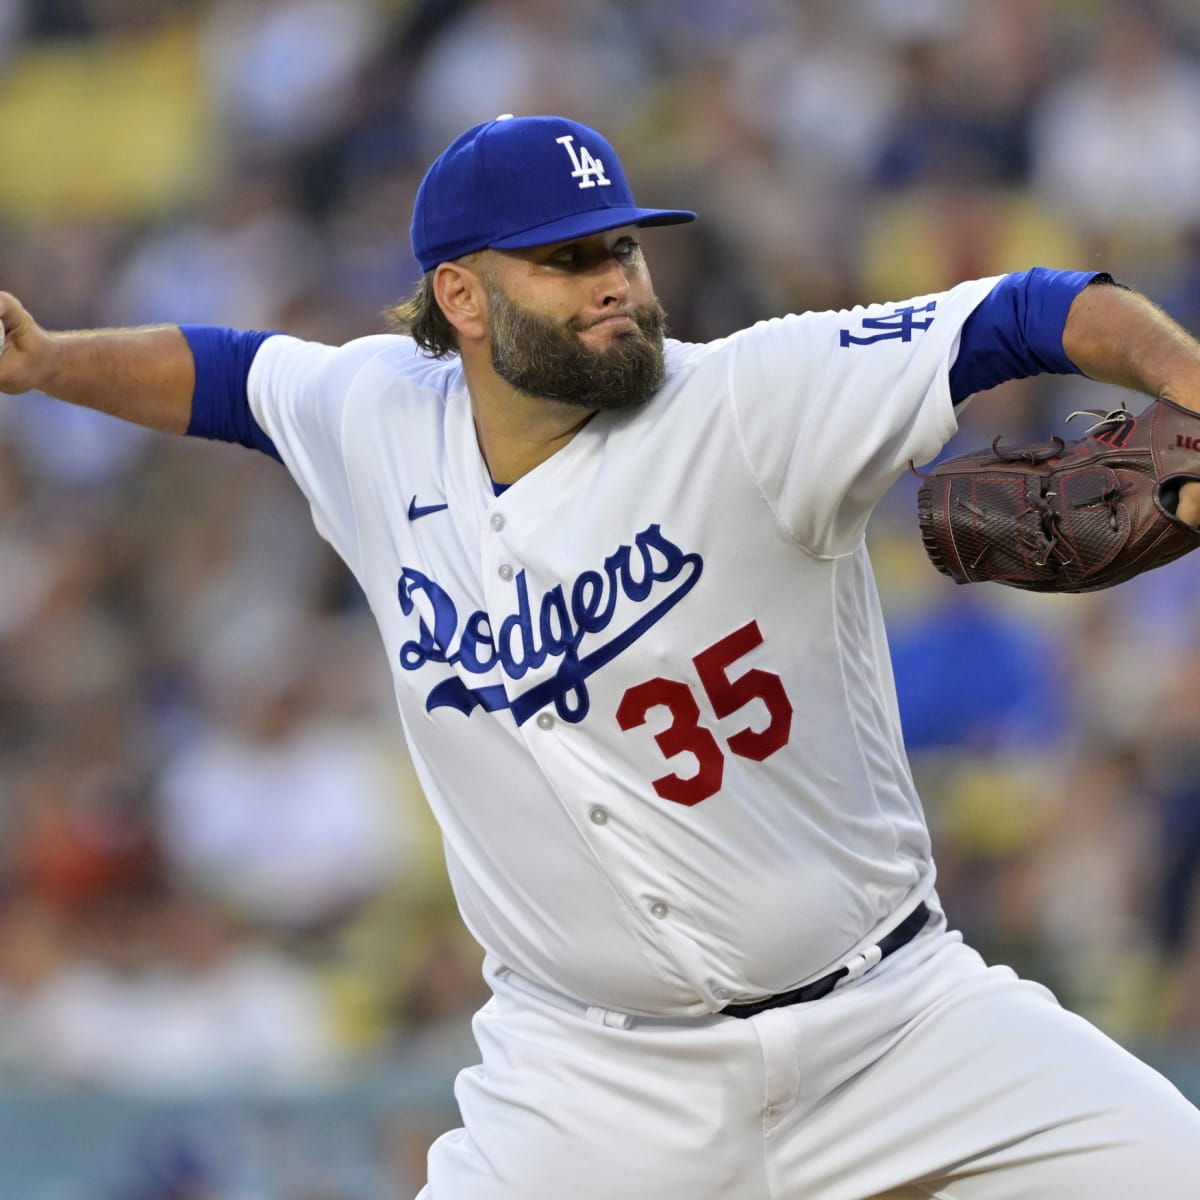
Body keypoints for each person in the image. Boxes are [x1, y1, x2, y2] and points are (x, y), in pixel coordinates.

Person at [2, 112, 1200, 1199]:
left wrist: (1187, 379)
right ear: (460, 296)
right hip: (589, 1084)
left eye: (622, 249)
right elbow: (229, 378)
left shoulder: (747, 400)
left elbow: (1029, 311)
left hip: (895, 1026)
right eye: (568, 259)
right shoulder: (377, 412)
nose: (617, 283)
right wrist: (51, 360)